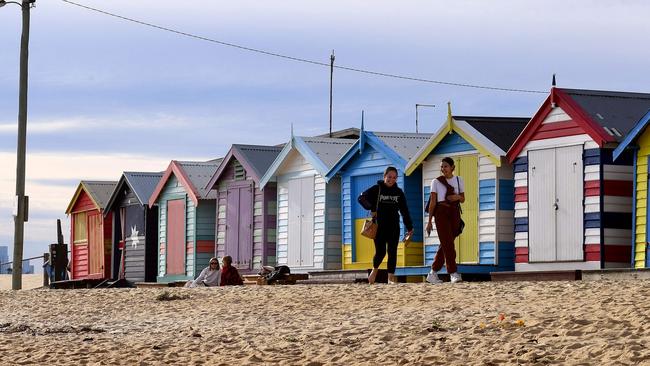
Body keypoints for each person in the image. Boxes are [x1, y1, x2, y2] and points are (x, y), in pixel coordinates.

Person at [358, 166, 414, 284]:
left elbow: (404, 211)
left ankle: (390, 278)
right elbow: (361, 198)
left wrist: (409, 227)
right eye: (389, 177)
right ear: (384, 176)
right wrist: (372, 208)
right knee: (381, 252)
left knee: (392, 251)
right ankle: (374, 270)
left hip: (394, 227)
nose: (391, 179)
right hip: (379, 227)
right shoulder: (376, 189)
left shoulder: (398, 193)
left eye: (394, 177)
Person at [425, 157, 465, 284]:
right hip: (441, 213)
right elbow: (432, 202)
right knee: (448, 244)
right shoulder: (435, 182)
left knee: (446, 244)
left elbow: (463, 199)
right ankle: (453, 273)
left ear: (452, 167)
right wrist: (429, 221)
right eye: (441, 167)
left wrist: (456, 197)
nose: (443, 169)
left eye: (446, 166)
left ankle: (432, 273)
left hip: (454, 212)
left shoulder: (459, 180)